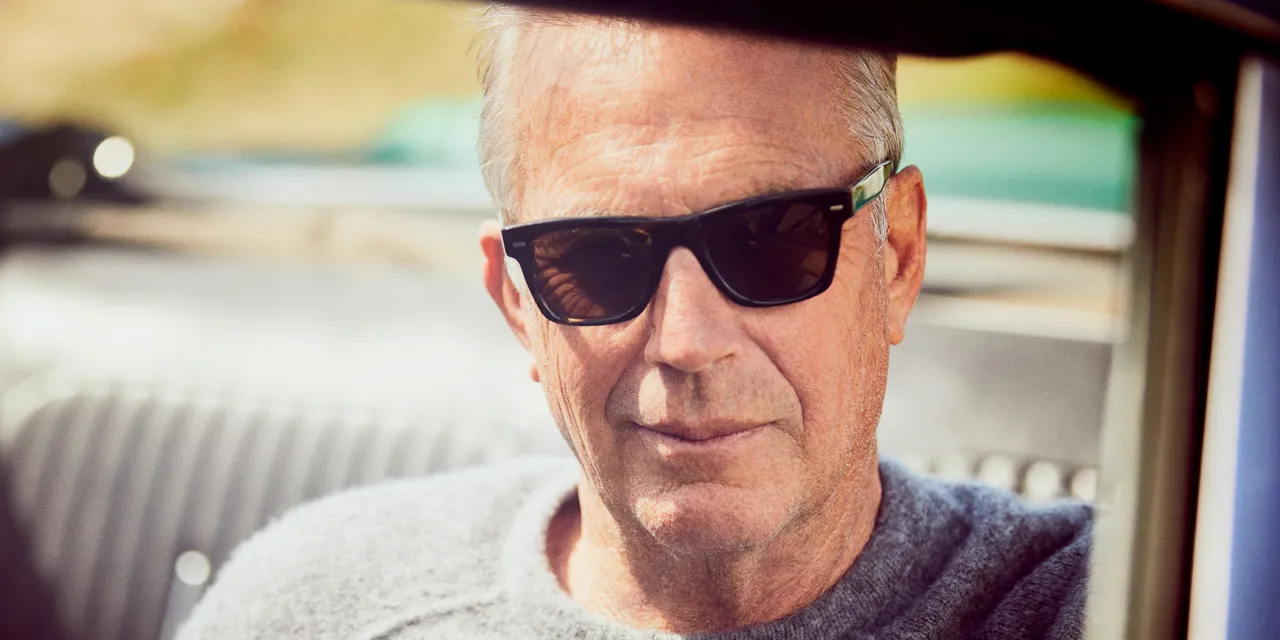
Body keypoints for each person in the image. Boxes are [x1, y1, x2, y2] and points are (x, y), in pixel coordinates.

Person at [178, 5, 1091, 639]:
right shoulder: (314, 605)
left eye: (772, 240)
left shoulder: (1117, 598)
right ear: (517, 302)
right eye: (598, 257)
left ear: (897, 255)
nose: (688, 340)